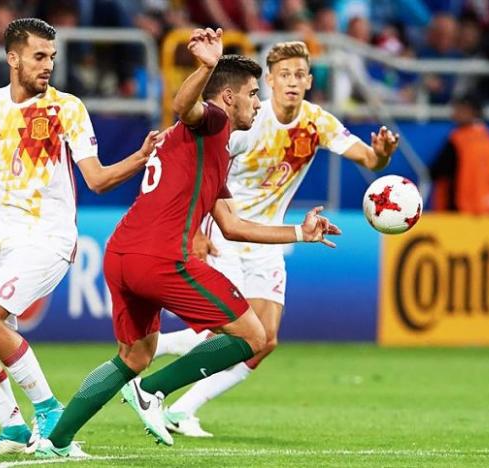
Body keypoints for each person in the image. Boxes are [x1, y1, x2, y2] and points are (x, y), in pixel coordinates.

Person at [35, 28, 342, 458]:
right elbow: (184, 106)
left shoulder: (212, 150)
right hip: (161, 257)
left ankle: (56, 440)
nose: (259, 103)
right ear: (229, 98)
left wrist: (299, 233)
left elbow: (233, 226)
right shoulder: (212, 123)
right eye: (254, 94)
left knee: (133, 356)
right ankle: (154, 392)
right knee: (254, 335)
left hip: (122, 253)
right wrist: (207, 66)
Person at [153, 41, 400, 437]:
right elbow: (204, 169)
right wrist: (198, 230)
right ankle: (156, 367)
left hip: (268, 240)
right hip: (226, 231)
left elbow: (369, 160)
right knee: (232, 333)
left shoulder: (317, 122)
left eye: (300, 74)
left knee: (264, 341)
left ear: (308, 81)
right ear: (269, 80)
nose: (292, 81)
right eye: (284, 74)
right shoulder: (248, 121)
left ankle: (181, 406)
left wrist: (382, 155)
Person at [0, 18, 160, 455]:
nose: (48, 66)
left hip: (47, 239)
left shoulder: (67, 108)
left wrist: (139, 156)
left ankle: (51, 411)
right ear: (13, 57)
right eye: (40, 56)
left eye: (52, 57)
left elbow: (95, 179)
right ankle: (13, 428)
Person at [430, 93, 489, 214]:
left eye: (459, 109)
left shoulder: (458, 140)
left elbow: (437, 171)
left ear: (471, 111)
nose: (454, 114)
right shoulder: (488, 138)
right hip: (487, 210)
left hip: (461, 209)